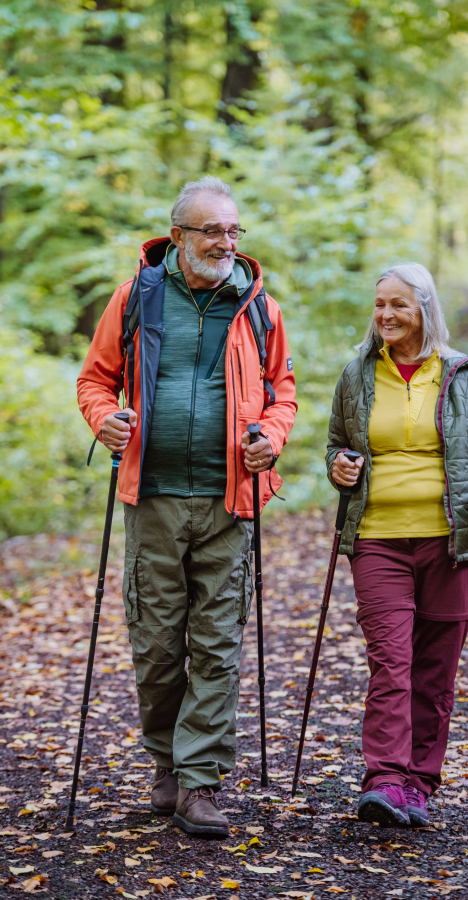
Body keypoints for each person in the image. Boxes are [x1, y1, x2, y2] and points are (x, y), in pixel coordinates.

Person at [78, 176, 297, 838]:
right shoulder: (136, 299)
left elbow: (283, 390)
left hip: (230, 501)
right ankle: (166, 765)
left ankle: (199, 781)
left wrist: (272, 436)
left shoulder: (260, 308)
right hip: (153, 499)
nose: (225, 243)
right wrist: (104, 420)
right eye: (212, 231)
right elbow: (95, 379)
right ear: (177, 236)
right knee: (156, 643)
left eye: (233, 231)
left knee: (216, 642)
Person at [325, 262, 468, 828]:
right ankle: (384, 779)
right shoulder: (357, 374)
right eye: (380, 304)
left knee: (435, 672)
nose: (385, 315)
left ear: (425, 309)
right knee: (390, 663)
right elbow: (336, 444)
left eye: (398, 305)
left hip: (451, 540)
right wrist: (338, 467)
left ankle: (419, 784)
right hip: (378, 537)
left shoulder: (459, 374)